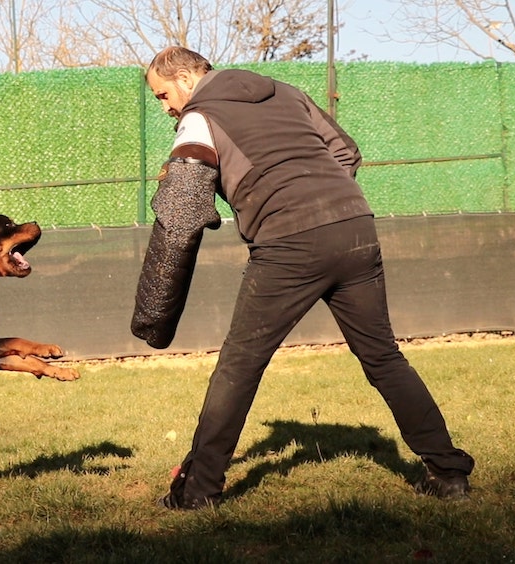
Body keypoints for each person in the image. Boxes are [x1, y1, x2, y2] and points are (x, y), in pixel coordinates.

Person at [131, 47, 474, 510]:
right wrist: (320, 194)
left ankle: (198, 491)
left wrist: (154, 311)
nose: (166, 106)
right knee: (383, 358)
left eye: (163, 94)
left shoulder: (199, 117)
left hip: (289, 242)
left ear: (187, 79)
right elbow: (346, 152)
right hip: (354, 225)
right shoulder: (289, 94)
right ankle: (448, 473)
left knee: (239, 366)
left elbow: (181, 211)